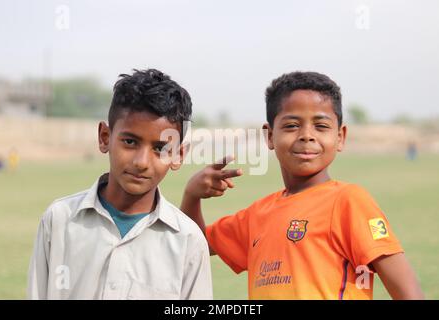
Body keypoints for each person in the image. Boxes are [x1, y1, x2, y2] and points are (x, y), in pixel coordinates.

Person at [180, 71, 424, 300]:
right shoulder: (257, 215)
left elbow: (409, 293)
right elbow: (195, 244)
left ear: (340, 137)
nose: (307, 135)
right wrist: (192, 195)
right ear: (269, 136)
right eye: (291, 125)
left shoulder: (349, 201)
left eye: (321, 126)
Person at [28, 69, 212, 300]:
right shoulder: (59, 220)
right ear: (105, 137)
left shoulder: (188, 241)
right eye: (130, 142)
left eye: (160, 149)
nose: (141, 162)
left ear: (178, 155)